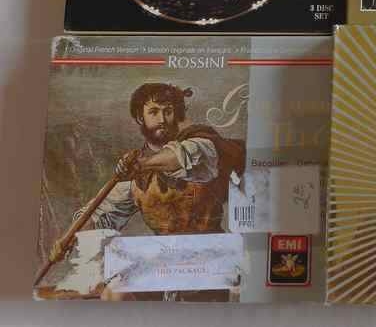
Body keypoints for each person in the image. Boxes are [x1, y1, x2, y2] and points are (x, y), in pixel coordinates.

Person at [71, 83, 246, 300]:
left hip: (210, 261)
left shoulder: (202, 144)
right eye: (153, 112)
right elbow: (98, 214)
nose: (162, 119)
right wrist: (73, 235)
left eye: (168, 111)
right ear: (140, 117)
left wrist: (143, 165)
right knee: (114, 294)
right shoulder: (134, 175)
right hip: (163, 262)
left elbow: (181, 157)